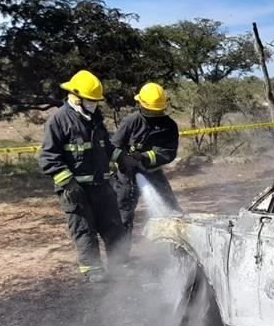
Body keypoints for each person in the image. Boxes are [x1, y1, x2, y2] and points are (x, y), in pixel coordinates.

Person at [38, 70, 126, 283]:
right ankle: (93, 273)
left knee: (114, 227)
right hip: (75, 191)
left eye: (96, 101)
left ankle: (121, 268)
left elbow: (105, 145)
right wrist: (68, 182)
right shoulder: (59, 120)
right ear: (75, 96)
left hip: (101, 186)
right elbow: (47, 157)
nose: (94, 104)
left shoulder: (94, 119)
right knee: (85, 232)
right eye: (90, 100)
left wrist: (122, 157)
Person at [111, 82, 180, 247]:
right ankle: (121, 258)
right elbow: (113, 146)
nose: (153, 114)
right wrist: (124, 158)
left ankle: (177, 248)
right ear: (140, 104)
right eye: (150, 110)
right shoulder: (131, 121)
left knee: (171, 209)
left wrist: (143, 157)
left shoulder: (169, 125)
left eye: (157, 111)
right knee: (124, 215)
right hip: (127, 175)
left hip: (152, 172)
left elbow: (168, 152)